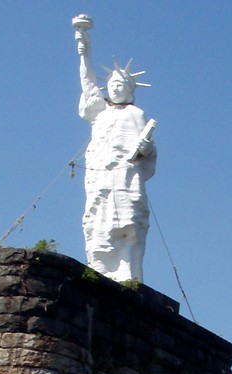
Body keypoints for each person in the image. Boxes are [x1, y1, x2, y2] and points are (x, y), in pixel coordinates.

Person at [73, 14, 156, 283]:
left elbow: (150, 154)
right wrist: (83, 46)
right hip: (100, 174)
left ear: (130, 89)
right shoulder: (100, 112)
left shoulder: (136, 113)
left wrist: (145, 148)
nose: (116, 86)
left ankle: (129, 273)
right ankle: (99, 269)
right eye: (112, 84)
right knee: (98, 220)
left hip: (126, 176)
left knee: (130, 220)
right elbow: (88, 83)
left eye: (122, 84)